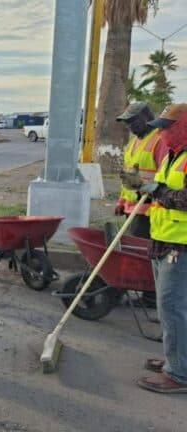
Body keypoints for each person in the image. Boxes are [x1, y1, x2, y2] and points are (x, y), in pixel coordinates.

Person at [120, 103, 187, 394]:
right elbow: (161, 192)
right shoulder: (174, 155)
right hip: (163, 238)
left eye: (167, 128)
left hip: (181, 245)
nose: (162, 134)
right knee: (169, 307)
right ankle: (177, 361)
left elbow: (183, 199)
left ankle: (179, 375)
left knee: (173, 309)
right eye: (160, 128)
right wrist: (141, 190)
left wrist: (153, 190)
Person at [115, 102, 166, 238]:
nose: (130, 126)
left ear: (146, 118)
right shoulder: (133, 143)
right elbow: (127, 175)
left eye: (133, 121)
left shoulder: (160, 141)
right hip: (131, 208)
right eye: (127, 122)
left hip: (147, 209)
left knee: (141, 248)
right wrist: (122, 201)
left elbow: (165, 176)